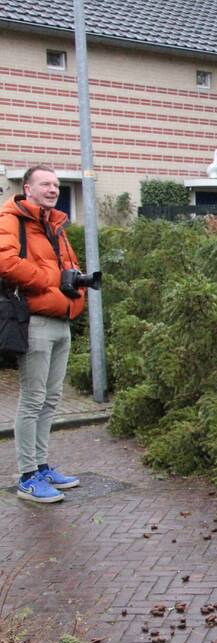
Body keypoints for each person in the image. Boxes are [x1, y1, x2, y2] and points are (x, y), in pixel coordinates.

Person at [0, 166, 86, 503]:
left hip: (61, 319)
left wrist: (77, 286)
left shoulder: (54, 223)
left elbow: (69, 266)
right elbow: (6, 262)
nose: (53, 190)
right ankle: (27, 477)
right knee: (33, 399)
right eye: (45, 184)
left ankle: (41, 466)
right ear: (27, 188)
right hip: (34, 320)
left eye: (56, 185)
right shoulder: (11, 218)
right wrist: (52, 282)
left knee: (51, 398)